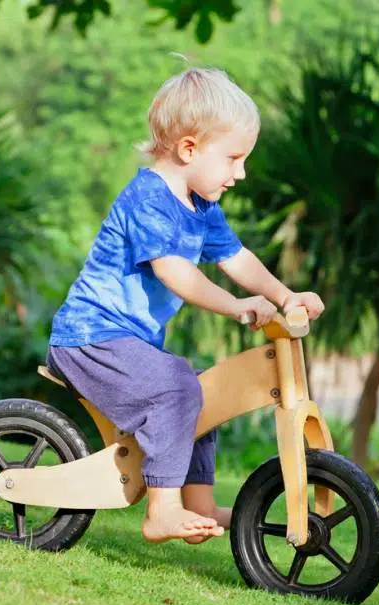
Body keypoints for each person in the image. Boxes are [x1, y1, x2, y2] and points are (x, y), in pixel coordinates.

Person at [46, 66, 324, 544]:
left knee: (203, 390)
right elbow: (175, 271)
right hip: (90, 339)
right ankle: (163, 510)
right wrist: (237, 306)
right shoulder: (150, 199)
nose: (240, 173)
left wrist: (284, 295)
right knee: (177, 389)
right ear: (189, 148)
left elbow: (236, 257)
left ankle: (197, 504)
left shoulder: (200, 206)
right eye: (234, 158)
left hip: (123, 343)